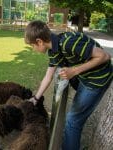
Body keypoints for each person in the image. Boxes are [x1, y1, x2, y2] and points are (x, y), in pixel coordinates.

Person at [24, 20, 113, 150]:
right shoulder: (54, 49)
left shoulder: (67, 42)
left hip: (97, 79)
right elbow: (48, 76)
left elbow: (105, 56)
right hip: (86, 77)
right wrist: (36, 98)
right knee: (75, 118)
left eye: (33, 46)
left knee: (73, 121)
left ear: (39, 41)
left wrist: (74, 71)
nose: (33, 49)